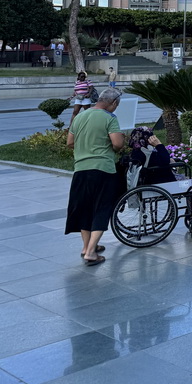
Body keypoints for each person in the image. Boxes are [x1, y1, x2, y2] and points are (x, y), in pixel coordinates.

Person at [65, 87, 125, 265]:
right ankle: (91, 252)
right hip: (102, 169)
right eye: (117, 105)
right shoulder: (110, 118)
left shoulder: (79, 117)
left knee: (85, 208)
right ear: (113, 103)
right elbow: (117, 144)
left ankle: (86, 247)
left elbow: (69, 143)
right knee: (101, 207)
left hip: (81, 169)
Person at [128, 127, 192, 223]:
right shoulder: (148, 152)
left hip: (150, 182)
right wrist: (159, 144)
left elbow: (163, 160)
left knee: (190, 182)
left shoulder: (137, 152)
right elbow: (165, 160)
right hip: (163, 183)